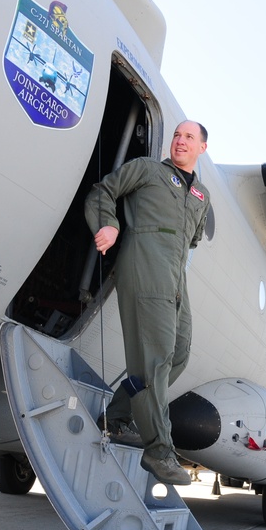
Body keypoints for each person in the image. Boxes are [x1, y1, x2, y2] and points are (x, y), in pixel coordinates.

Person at [85, 120, 211, 486]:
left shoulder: (201, 195)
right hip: (143, 263)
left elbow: (192, 242)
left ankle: (118, 415)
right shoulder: (147, 170)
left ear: (202, 146)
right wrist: (109, 224)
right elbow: (102, 192)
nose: (180, 141)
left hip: (174, 275)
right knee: (155, 359)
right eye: (176, 135)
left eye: (189, 137)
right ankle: (159, 451)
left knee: (180, 352)